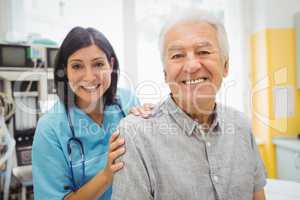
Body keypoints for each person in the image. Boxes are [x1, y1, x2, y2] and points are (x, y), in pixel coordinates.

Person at [111, 9, 267, 200]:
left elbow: (257, 195)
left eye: (203, 51)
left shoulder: (241, 125)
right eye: (177, 55)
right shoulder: (135, 134)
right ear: (165, 73)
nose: (191, 66)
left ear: (226, 65)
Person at [32, 26, 152, 200]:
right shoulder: (50, 129)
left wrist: (149, 122)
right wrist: (106, 176)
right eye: (77, 66)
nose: (89, 77)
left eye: (98, 64)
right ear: (65, 71)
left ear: (110, 65)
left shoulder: (128, 102)